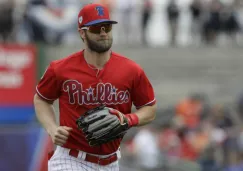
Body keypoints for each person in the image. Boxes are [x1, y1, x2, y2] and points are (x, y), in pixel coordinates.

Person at [33, 3, 157, 171]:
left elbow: (149, 108)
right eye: (96, 28)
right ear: (82, 33)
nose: (103, 33)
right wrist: (52, 128)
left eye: (107, 27)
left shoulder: (131, 70)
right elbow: (41, 99)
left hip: (111, 163)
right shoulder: (60, 69)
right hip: (71, 159)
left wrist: (129, 119)